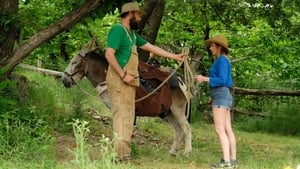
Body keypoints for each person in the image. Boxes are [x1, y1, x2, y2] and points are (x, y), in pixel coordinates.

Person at [104, 1, 185, 162]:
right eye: (138, 15)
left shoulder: (132, 35)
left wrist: (175, 56)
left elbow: (151, 48)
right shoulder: (117, 30)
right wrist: (122, 74)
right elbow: (109, 54)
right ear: (130, 14)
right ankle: (118, 156)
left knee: (128, 117)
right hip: (120, 81)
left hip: (130, 83)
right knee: (121, 117)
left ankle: (125, 155)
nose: (140, 18)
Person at [194, 35, 237, 169]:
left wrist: (203, 78)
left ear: (219, 47)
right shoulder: (222, 60)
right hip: (222, 95)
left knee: (220, 130)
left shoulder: (222, 60)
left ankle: (226, 163)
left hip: (221, 96)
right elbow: (223, 82)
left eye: (212, 45)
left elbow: (223, 80)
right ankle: (232, 162)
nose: (210, 47)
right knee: (227, 129)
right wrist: (213, 95)